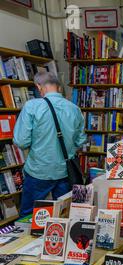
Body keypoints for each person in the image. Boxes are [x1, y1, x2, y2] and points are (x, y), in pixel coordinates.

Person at [13, 71, 87, 217]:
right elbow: (80, 140)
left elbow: (21, 141)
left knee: (29, 215)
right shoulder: (74, 109)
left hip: (38, 171)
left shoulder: (32, 106)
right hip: (66, 172)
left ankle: (28, 239)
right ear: (58, 87)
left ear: (39, 87)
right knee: (64, 215)